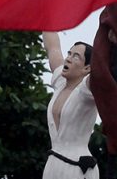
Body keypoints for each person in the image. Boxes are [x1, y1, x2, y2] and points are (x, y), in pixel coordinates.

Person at [42, 32, 99, 179]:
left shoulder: (87, 92)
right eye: (69, 53)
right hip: (53, 165)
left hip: (78, 168)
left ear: (87, 68)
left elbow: (103, 68)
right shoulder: (61, 82)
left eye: (76, 56)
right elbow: (53, 48)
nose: (68, 58)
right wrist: (46, 15)